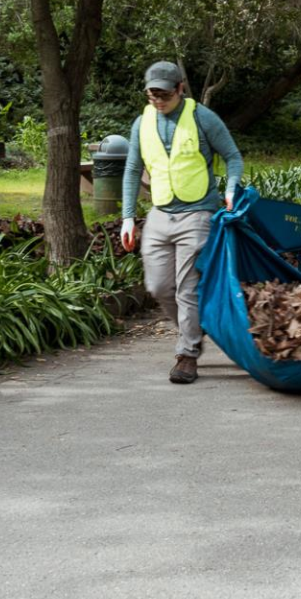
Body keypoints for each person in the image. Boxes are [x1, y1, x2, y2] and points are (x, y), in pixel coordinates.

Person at [120, 61, 243, 385]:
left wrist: (230, 189)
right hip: (160, 213)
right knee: (159, 286)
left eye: (164, 94)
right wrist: (128, 218)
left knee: (188, 288)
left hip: (198, 211)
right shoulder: (141, 123)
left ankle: (187, 355)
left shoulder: (203, 118)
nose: (158, 101)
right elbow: (133, 170)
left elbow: (232, 156)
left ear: (180, 89)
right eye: (152, 95)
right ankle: (195, 330)